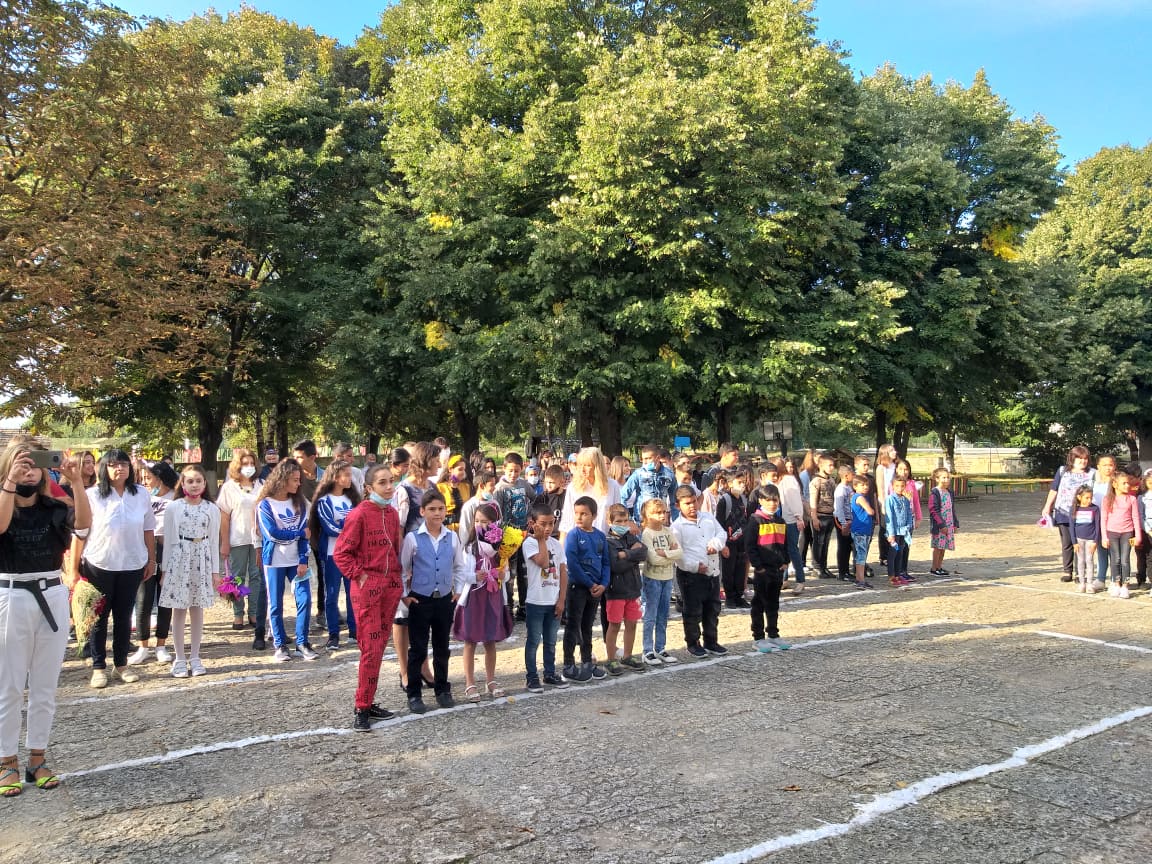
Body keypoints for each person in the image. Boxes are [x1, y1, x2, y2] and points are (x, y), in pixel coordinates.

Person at [0, 440, 90, 795]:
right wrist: (9, 482)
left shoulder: (54, 507)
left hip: (50, 591)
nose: (29, 470)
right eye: (22, 463)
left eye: (34, 463)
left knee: (44, 686)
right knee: (8, 684)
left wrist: (77, 483)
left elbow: (83, 526)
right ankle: (6, 760)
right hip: (11, 592)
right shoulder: (4, 501)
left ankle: (37, 757)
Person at [72, 450, 157, 688]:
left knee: (123, 616)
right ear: (104, 468)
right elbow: (80, 532)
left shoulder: (140, 493)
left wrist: (151, 560)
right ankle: (98, 666)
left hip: (132, 563)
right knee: (99, 618)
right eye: (113, 464)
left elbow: (148, 528)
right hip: (99, 563)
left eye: (124, 464)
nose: (119, 468)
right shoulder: (92, 495)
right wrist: (73, 569)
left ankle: (121, 664)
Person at [334, 463, 405, 731]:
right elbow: (341, 553)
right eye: (382, 483)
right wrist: (361, 576)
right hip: (368, 591)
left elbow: (395, 549)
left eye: (391, 481)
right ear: (368, 488)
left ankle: (368, 700)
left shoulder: (392, 514)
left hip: (389, 588)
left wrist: (396, 581)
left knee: (378, 648)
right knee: (370, 649)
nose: (389, 487)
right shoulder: (359, 515)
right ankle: (361, 708)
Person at [400, 490, 464, 713]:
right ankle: (414, 693)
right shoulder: (413, 538)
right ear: (422, 511)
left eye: (440, 509)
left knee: (442, 647)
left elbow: (459, 566)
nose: (437, 513)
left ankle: (442, 689)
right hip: (420, 600)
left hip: (444, 599)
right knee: (418, 648)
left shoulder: (452, 537)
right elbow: (403, 569)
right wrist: (405, 595)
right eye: (432, 509)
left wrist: (458, 591)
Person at [160, 465, 222, 678]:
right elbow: (169, 540)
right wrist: (165, 570)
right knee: (179, 609)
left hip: (201, 558)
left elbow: (213, 542)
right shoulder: (174, 507)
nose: (194, 485)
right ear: (183, 484)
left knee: (197, 608)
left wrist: (215, 572)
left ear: (205, 483)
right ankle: (179, 658)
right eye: (190, 481)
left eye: (198, 481)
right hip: (180, 557)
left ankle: (195, 657)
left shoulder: (211, 509)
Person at [256, 460, 317, 662]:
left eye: (299, 480)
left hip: (296, 561)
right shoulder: (265, 505)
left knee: (305, 599)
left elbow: (305, 536)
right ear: (282, 480)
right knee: (275, 604)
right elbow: (272, 534)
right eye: (295, 480)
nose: (299, 484)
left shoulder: (300, 504)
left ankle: (302, 643)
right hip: (274, 561)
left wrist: (303, 559)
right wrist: (299, 534)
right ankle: (280, 645)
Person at [453, 503, 512, 701]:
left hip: (492, 597)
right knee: (470, 640)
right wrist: (474, 576)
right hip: (474, 597)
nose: (480, 525)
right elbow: (460, 572)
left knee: (490, 640)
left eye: (485, 522)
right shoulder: (470, 547)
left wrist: (502, 574)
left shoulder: (501, 548)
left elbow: (507, 573)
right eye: (477, 521)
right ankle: (469, 683)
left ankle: (491, 680)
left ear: (495, 524)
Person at [128, 459, 178, 666]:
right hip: (145, 549)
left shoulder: (175, 497)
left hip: (168, 549)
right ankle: (143, 646)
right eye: (144, 478)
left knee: (165, 599)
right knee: (143, 599)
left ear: (160, 478)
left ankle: (161, 645)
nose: (146, 482)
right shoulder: (141, 496)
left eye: (149, 478)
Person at [216, 448, 266, 648]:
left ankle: (254, 613)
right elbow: (224, 516)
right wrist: (224, 541)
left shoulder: (262, 485)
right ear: (238, 466)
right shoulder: (229, 487)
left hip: (257, 540)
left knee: (256, 576)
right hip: (237, 539)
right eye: (245, 463)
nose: (249, 467)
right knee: (237, 577)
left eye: (251, 463)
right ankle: (238, 613)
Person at [672, 484, 728, 658]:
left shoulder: (708, 517)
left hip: (712, 571)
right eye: (687, 503)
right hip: (691, 575)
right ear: (678, 505)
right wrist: (694, 566)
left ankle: (711, 641)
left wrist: (716, 544)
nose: (692, 506)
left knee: (712, 608)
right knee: (693, 611)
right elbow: (678, 555)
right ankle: (693, 642)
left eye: (694, 501)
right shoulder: (677, 527)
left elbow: (722, 534)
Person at [561, 496, 611, 683]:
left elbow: (606, 562)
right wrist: (590, 584)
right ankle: (568, 665)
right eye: (577, 513)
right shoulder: (573, 535)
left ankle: (587, 662)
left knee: (587, 625)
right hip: (578, 588)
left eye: (584, 514)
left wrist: (603, 584)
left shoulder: (600, 536)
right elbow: (572, 563)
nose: (579, 517)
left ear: (594, 516)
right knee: (573, 625)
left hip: (596, 589)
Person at [312, 460, 360, 650]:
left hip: (352, 555)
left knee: (353, 594)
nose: (350, 478)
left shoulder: (352, 500)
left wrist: (347, 527)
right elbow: (330, 528)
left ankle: (354, 631)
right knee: (331, 595)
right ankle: (333, 634)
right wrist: (350, 529)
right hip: (332, 555)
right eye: (346, 475)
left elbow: (361, 524)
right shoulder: (324, 501)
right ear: (335, 477)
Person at [522, 501, 569, 692]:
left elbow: (563, 571)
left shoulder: (556, 544)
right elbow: (542, 562)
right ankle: (532, 676)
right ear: (532, 523)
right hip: (536, 601)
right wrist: (541, 539)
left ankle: (549, 673)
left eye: (551, 523)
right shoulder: (529, 543)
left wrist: (562, 599)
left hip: (553, 600)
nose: (548, 528)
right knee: (534, 640)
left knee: (551, 641)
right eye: (543, 524)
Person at [1039, 446, 1097, 582]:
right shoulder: (1062, 471)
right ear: (1072, 458)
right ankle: (1067, 571)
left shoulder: (1093, 473)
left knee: (1081, 543)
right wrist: (1047, 506)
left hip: (1083, 514)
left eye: (1085, 458)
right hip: (1063, 512)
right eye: (1079, 458)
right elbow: (1054, 489)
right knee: (1067, 542)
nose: (1083, 461)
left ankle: (1079, 573)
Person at [603, 504, 648, 675]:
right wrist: (633, 555)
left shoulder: (630, 537)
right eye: (618, 521)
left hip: (633, 588)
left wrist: (626, 554)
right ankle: (611, 659)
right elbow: (616, 565)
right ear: (610, 522)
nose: (622, 524)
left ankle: (627, 656)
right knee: (614, 625)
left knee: (632, 624)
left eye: (625, 521)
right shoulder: (608, 542)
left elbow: (644, 552)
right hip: (616, 591)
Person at [745, 485, 790, 651]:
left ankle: (773, 634)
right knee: (759, 603)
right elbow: (750, 546)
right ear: (761, 501)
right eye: (768, 500)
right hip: (763, 570)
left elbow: (786, 544)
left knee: (773, 603)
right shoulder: (755, 520)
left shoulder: (780, 521)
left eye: (775, 500)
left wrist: (785, 561)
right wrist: (758, 566)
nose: (772, 503)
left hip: (777, 569)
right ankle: (758, 637)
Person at [639, 497, 681, 666]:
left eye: (664, 512)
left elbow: (679, 552)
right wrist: (669, 553)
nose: (662, 515)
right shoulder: (647, 534)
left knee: (663, 615)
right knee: (650, 616)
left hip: (667, 578)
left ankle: (660, 647)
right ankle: (647, 650)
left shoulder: (668, 531)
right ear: (648, 515)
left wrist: (665, 553)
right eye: (658, 513)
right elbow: (653, 559)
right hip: (652, 579)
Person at [494, 452, 533, 619]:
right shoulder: (500, 488)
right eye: (510, 470)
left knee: (524, 572)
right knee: (510, 574)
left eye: (516, 471)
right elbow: (497, 512)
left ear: (521, 469)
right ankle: (508, 606)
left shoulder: (524, 484)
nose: (513, 474)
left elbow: (534, 498)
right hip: (508, 538)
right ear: (504, 468)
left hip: (524, 534)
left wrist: (530, 516)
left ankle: (524, 606)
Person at [558, 447, 622, 537]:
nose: (583, 469)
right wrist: (562, 543)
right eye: (580, 465)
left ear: (597, 466)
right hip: (580, 540)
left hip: (605, 539)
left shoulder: (613, 486)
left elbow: (618, 516)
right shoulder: (573, 487)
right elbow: (567, 520)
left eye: (587, 465)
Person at [714, 468, 751, 608]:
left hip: (742, 542)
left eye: (744, 482)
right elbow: (719, 523)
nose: (742, 485)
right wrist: (723, 544)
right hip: (729, 542)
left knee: (741, 569)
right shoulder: (724, 500)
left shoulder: (743, 499)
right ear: (730, 483)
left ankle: (739, 596)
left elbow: (746, 519)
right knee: (729, 570)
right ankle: (730, 597)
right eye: (739, 482)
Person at [1101, 472, 1141, 598]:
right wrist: (1104, 537)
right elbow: (1103, 519)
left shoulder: (1132, 499)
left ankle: (1125, 586)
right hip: (1112, 533)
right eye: (1124, 483)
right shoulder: (1107, 499)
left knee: (1125, 560)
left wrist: (1138, 535)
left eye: (1128, 483)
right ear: (1114, 484)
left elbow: (1136, 518)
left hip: (1127, 533)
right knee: (1116, 559)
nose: (1127, 485)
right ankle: (1117, 584)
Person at [621, 443, 676, 525]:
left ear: (658, 458)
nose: (645, 462)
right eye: (643, 459)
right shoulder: (638, 474)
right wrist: (629, 520)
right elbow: (623, 496)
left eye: (648, 458)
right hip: (642, 520)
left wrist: (676, 519)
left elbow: (674, 500)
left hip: (661, 519)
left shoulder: (669, 474)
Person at [775, 457, 807, 594]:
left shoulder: (789, 480)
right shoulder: (779, 480)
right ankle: (784, 579)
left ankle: (800, 580)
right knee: (782, 551)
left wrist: (798, 517)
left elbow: (795, 500)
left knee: (792, 550)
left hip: (791, 519)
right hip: (781, 519)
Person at [808, 452, 838, 579]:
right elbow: (813, 501)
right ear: (821, 466)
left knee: (825, 543)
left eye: (833, 465)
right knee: (818, 542)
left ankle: (824, 567)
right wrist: (814, 517)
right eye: (829, 465)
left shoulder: (831, 480)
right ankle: (816, 567)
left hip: (830, 515)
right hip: (820, 515)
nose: (832, 468)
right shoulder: (816, 481)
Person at [928, 467, 959, 576]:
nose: (946, 480)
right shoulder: (935, 492)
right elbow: (933, 510)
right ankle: (934, 568)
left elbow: (952, 508)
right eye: (943, 478)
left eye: (948, 478)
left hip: (949, 523)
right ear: (937, 479)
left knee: (944, 547)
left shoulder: (949, 492)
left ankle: (939, 566)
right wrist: (941, 524)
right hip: (939, 526)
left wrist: (955, 523)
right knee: (937, 547)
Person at [1068, 485, 1099, 593]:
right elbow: (1072, 527)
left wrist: (1095, 541)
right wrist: (1074, 542)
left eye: (1091, 498)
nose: (1089, 500)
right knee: (1080, 561)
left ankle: (1090, 583)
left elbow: (1097, 526)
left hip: (1090, 539)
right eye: (1087, 498)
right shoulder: (1074, 509)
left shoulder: (1095, 509)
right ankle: (1082, 583)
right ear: (1079, 497)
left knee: (1089, 560)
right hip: (1079, 540)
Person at [885, 476, 915, 586]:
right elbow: (889, 517)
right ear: (893, 486)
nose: (900, 488)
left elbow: (909, 513)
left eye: (902, 486)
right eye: (897, 486)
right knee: (893, 553)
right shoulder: (890, 499)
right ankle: (891, 576)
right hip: (894, 532)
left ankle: (898, 575)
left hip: (903, 531)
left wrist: (909, 526)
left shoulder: (906, 499)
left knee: (900, 553)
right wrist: (891, 534)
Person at [850, 476, 876, 589]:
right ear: (855, 486)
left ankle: (859, 578)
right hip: (860, 530)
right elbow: (870, 511)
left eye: (867, 485)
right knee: (861, 556)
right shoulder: (860, 498)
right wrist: (873, 510)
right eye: (862, 485)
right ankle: (860, 580)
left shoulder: (861, 497)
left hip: (864, 530)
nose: (865, 487)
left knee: (861, 555)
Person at [874, 444, 898, 569]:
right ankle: (883, 556)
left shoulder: (896, 466)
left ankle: (894, 553)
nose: (895, 452)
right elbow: (880, 487)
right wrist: (883, 504)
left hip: (896, 500)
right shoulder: (881, 468)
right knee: (885, 528)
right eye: (892, 450)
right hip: (886, 500)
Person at [435, 454, 472, 529]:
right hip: (447, 528)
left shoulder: (466, 487)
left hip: (464, 527)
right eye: (460, 469)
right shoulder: (440, 487)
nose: (463, 472)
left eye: (464, 469)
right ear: (450, 469)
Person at [833, 464, 856, 581]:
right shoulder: (840, 489)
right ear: (846, 476)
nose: (854, 475)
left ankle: (846, 571)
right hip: (842, 519)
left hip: (849, 519)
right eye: (853, 474)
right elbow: (839, 508)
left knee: (848, 546)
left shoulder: (849, 488)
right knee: (843, 546)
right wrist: (843, 523)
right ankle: (842, 572)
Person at [534, 465, 567, 537]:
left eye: (552, 482)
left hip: (561, 535)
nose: (548, 485)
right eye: (547, 482)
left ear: (561, 482)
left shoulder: (566, 496)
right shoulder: (542, 498)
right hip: (545, 534)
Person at [1136, 469, 1152, 591]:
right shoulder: (1141, 498)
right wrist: (1148, 530)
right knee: (1143, 556)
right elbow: (1140, 516)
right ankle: (1141, 580)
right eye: (1150, 483)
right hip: (1145, 531)